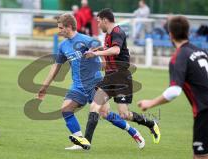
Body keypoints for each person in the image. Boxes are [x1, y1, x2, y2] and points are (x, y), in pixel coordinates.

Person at [37, 13, 144, 151]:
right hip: (77, 86)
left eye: (61, 28)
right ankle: (80, 141)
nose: (59, 31)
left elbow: (104, 52)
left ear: (69, 27)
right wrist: (45, 86)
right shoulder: (63, 46)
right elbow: (55, 67)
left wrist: (106, 67)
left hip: (95, 84)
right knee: (66, 109)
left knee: (105, 114)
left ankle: (133, 132)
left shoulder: (87, 40)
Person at [69, 8, 160, 150]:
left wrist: (95, 54)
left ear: (105, 20)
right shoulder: (108, 35)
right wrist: (96, 50)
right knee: (95, 106)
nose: (98, 25)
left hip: (122, 77)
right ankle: (86, 142)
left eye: (98, 22)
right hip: (110, 77)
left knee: (124, 114)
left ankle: (150, 123)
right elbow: (108, 48)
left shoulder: (118, 32)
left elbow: (116, 50)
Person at [138, 16, 208, 159]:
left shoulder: (179, 57)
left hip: (205, 112)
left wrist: (150, 103)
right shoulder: (201, 51)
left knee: (200, 156)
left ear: (170, 35)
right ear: (188, 33)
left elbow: (174, 91)